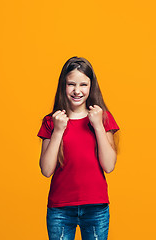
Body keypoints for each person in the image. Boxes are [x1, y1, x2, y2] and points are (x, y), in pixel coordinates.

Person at [37, 56, 120, 240]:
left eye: (83, 84)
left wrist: (98, 125)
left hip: (96, 207)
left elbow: (109, 166)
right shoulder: (51, 122)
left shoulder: (103, 118)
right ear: (63, 85)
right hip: (60, 208)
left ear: (91, 86)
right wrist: (58, 131)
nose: (77, 90)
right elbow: (46, 169)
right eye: (71, 84)